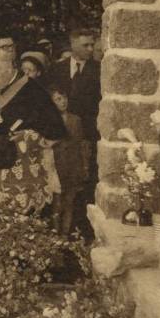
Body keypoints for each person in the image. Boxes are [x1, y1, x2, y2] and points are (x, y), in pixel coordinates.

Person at [0, 56, 66, 220]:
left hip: (25, 166)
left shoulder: (34, 91)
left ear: (9, 70)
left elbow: (55, 132)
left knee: (26, 219)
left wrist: (28, 136)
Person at [47, 28, 100, 239]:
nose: (90, 49)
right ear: (73, 44)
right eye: (85, 45)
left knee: (81, 188)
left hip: (85, 138)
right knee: (58, 193)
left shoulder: (99, 70)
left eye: (92, 45)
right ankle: (56, 237)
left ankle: (80, 234)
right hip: (59, 141)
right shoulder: (56, 69)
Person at [49, 87, 88, 235]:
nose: (62, 101)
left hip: (72, 166)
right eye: (58, 99)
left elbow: (81, 145)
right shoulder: (49, 121)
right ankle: (55, 234)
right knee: (57, 203)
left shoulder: (76, 120)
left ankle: (65, 235)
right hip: (56, 166)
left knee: (69, 202)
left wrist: (84, 166)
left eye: (64, 97)